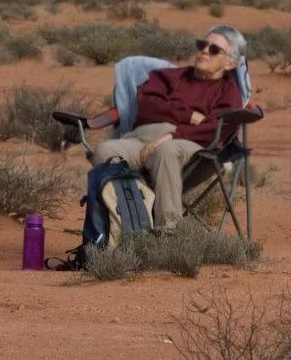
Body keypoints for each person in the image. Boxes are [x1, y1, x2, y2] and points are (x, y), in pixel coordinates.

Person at [90, 24, 247, 231]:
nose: (204, 51)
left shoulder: (228, 92)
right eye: (202, 45)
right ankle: (117, 229)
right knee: (105, 151)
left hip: (193, 148)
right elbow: (147, 105)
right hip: (141, 139)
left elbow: (216, 128)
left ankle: (168, 233)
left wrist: (174, 135)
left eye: (214, 49)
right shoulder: (169, 77)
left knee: (166, 151)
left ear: (229, 64)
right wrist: (189, 115)